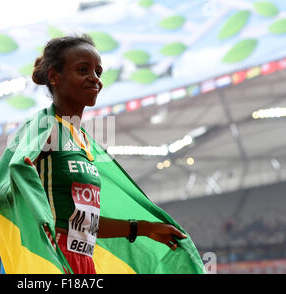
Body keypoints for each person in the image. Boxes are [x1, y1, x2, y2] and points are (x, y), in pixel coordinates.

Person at [21, 34, 188, 274]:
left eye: (98, 72)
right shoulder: (44, 130)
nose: (94, 79)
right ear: (54, 77)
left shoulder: (83, 142)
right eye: (83, 70)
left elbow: (80, 223)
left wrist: (143, 228)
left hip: (83, 261)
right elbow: (12, 178)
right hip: (51, 260)